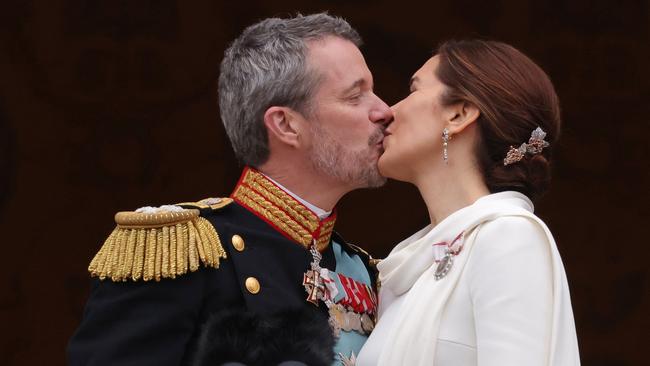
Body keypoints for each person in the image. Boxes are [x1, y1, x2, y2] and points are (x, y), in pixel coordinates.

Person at [67, 13, 393, 366]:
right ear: (285, 125)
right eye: (355, 96)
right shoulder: (182, 252)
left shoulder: (362, 269)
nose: (384, 110)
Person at [356, 39, 580, 365]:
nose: (388, 111)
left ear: (459, 114)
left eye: (414, 90)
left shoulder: (508, 237)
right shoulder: (407, 267)